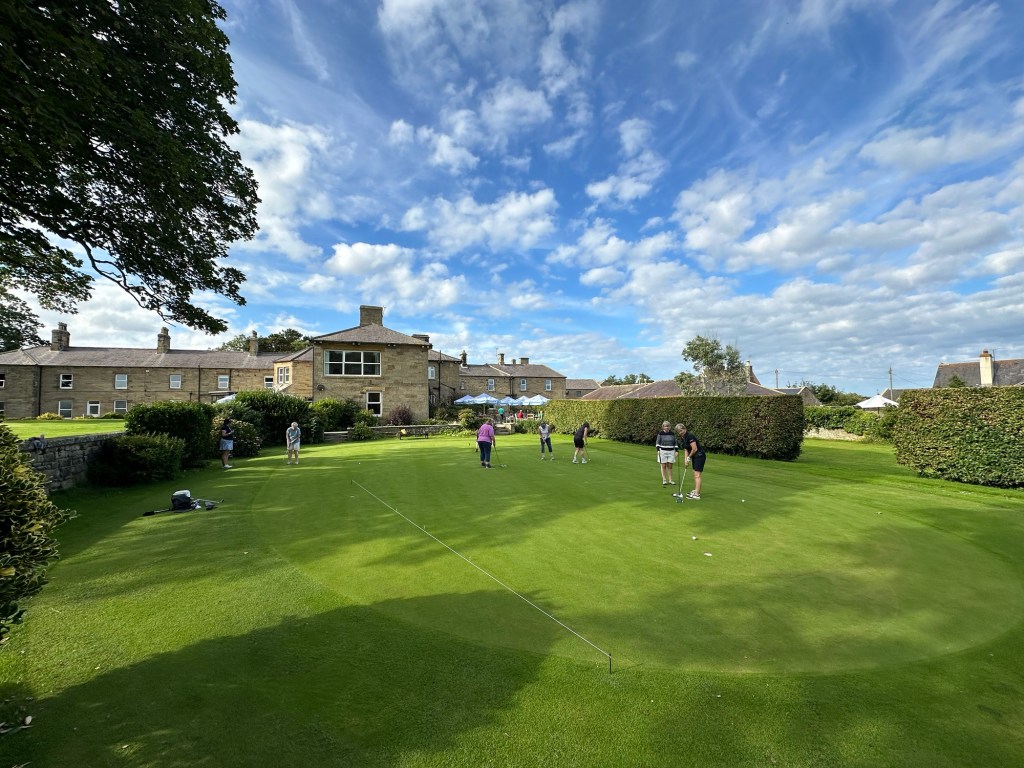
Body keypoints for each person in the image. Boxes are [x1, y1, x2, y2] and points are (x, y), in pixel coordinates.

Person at [675, 423, 706, 499]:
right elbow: (686, 449)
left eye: (681, 430)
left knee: (697, 475)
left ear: (684, 429)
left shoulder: (690, 436)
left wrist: (689, 457)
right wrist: (686, 460)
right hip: (694, 456)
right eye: (678, 431)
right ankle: (696, 490)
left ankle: (697, 495)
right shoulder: (683, 437)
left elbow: (694, 448)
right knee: (694, 474)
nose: (680, 432)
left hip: (699, 455)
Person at [655, 420, 678, 487]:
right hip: (662, 451)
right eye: (665, 426)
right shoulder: (660, 433)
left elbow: (675, 442)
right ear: (663, 427)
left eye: (668, 426)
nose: (667, 427)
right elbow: (657, 443)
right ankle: (664, 479)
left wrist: (676, 451)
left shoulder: (672, 434)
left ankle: (670, 480)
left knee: (670, 466)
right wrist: (658, 450)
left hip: (671, 451)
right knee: (663, 465)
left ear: (670, 427)